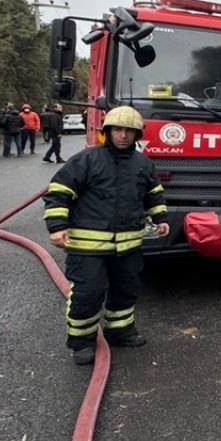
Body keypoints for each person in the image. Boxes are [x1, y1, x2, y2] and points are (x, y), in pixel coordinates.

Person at [42, 106, 168, 365]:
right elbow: (58, 192)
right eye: (118, 130)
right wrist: (57, 226)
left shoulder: (143, 164)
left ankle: (120, 331)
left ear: (137, 135)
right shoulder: (86, 160)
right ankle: (81, 342)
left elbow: (153, 193)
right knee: (88, 292)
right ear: (107, 132)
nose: (123, 135)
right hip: (88, 247)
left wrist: (160, 218)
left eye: (129, 131)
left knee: (126, 289)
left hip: (129, 245)